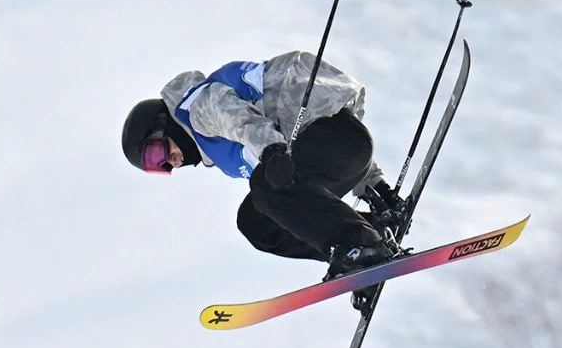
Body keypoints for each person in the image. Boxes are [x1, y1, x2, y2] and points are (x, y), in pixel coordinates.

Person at [120, 50, 409, 281]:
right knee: (257, 223)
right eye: (156, 167)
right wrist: (376, 188)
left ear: (163, 122)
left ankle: (360, 243)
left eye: (156, 151)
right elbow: (320, 160)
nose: (167, 162)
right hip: (343, 148)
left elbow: (236, 118)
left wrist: (271, 151)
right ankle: (366, 243)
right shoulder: (216, 149)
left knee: (264, 186)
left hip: (333, 131)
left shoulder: (198, 106)